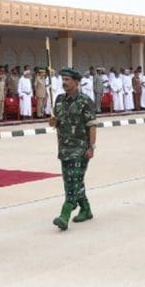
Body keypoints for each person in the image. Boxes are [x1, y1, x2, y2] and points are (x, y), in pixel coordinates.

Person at [49, 67, 98, 230]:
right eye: (62, 79)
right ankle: (86, 209)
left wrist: (92, 147)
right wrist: (53, 122)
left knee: (73, 182)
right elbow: (56, 122)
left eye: (67, 80)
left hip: (80, 149)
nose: (64, 83)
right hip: (64, 149)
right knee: (71, 181)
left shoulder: (85, 101)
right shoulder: (59, 100)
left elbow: (92, 125)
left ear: (76, 82)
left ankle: (65, 214)